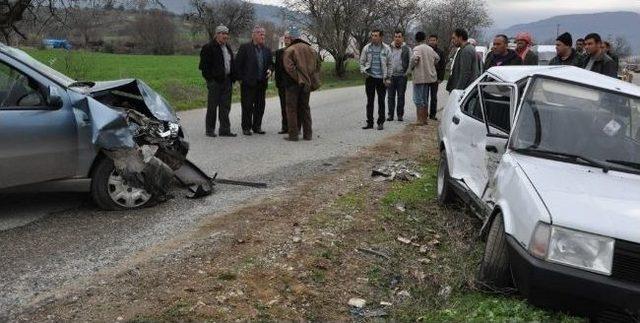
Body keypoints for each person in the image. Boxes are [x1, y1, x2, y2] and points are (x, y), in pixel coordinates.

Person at [282, 26, 321, 141]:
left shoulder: (289, 50)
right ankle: (308, 134)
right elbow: (318, 66)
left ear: (292, 38)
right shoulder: (311, 49)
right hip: (307, 84)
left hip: (293, 84)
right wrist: (309, 76)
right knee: (305, 108)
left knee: (292, 109)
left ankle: (293, 135)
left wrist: (299, 78)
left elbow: (289, 68)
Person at [199, 25, 236, 137]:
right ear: (217, 34)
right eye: (223, 33)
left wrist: (232, 78)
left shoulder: (228, 47)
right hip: (215, 82)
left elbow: (231, 63)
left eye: (226, 34)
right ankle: (210, 130)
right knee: (212, 106)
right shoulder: (208, 47)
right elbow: (203, 67)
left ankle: (225, 130)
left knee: (225, 106)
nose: (225, 36)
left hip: (227, 80)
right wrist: (210, 80)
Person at [235, 26, 273, 136]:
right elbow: (238, 65)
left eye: (264, 35)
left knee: (260, 106)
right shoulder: (245, 48)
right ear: (254, 35)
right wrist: (241, 79)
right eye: (261, 34)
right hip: (248, 83)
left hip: (262, 83)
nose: (263, 36)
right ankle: (246, 127)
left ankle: (257, 127)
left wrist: (270, 69)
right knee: (247, 106)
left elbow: (271, 63)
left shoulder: (266, 50)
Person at [359, 29, 392, 130]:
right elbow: (361, 62)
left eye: (376, 35)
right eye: (372, 35)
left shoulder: (386, 49)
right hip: (370, 77)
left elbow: (390, 64)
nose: (373, 37)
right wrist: (363, 71)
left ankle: (380, 122)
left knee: (381, 101)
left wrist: (388, 78)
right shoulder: (367, 48)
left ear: (381, 37)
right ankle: (369, 122)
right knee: (370, 101)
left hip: (382, 79)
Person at [409, 31, 440, 125]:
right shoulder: (430, 49)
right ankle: (425, 119)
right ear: (424, 38)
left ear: (416, 39)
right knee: (424, 99)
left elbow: (415, 59)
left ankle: (419, 120)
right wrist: (431, 64)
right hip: (428, 77)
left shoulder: (417, 48)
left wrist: (411, 67)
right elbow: (437, 58)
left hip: (419, 77)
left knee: (417, 99)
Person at [386, 30, 411, 122]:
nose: (397, 38)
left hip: (402, 76)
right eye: (396, 36)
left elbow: (410, 62)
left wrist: (407, 73)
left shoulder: (407, 49)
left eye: (399, 37)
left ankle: (400, 115)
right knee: (390, 96)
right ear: (394, 38)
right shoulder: (388, 48)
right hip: (391, 76)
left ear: (402, 38)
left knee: (401, 96)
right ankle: (390, 115)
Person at [446, 28, 479, 92]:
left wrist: (457, 91)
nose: (452, 40)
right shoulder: (464, 49)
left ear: (460, 38)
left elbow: (465, 74)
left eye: (454, 38)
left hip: (463, 91)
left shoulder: (467, 50)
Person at [275, 31, 293, 134]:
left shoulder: (294, 51)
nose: (286, 40)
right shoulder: (279, 52)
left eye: (288, 38)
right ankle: (284, 127)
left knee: (292, 106)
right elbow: (277, 68)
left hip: (292, 83)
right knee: (283, 106)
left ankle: (294, 127)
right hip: (282, 83)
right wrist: (277, 82)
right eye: (285, 38)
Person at [428, 34, 446, 120]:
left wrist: (441, 78)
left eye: (434, 40)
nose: (432, 42)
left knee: (433, 97)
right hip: (426, 77)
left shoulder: (440, 52)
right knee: (424, 97)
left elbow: (443, 66)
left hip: (435, 77)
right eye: (431, 40)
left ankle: (432, 114)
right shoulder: (426, 50)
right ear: (428, 41)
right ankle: (423, 114)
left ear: (437, 41)